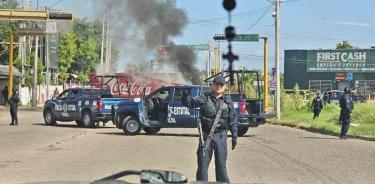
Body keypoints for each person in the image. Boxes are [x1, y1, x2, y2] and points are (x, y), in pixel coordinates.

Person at [182, 76, 238, 183]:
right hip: (206, 137)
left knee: (221, 165)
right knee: (202, 165)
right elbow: (189, 103)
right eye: (216, 84)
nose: (218, 86)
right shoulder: (204, 98)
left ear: (224, 87)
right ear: (212, 85)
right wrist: (185, 96)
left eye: (221, 85)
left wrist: (234, 136)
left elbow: (232, 120)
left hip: (221, 137)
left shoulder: (228, 101)